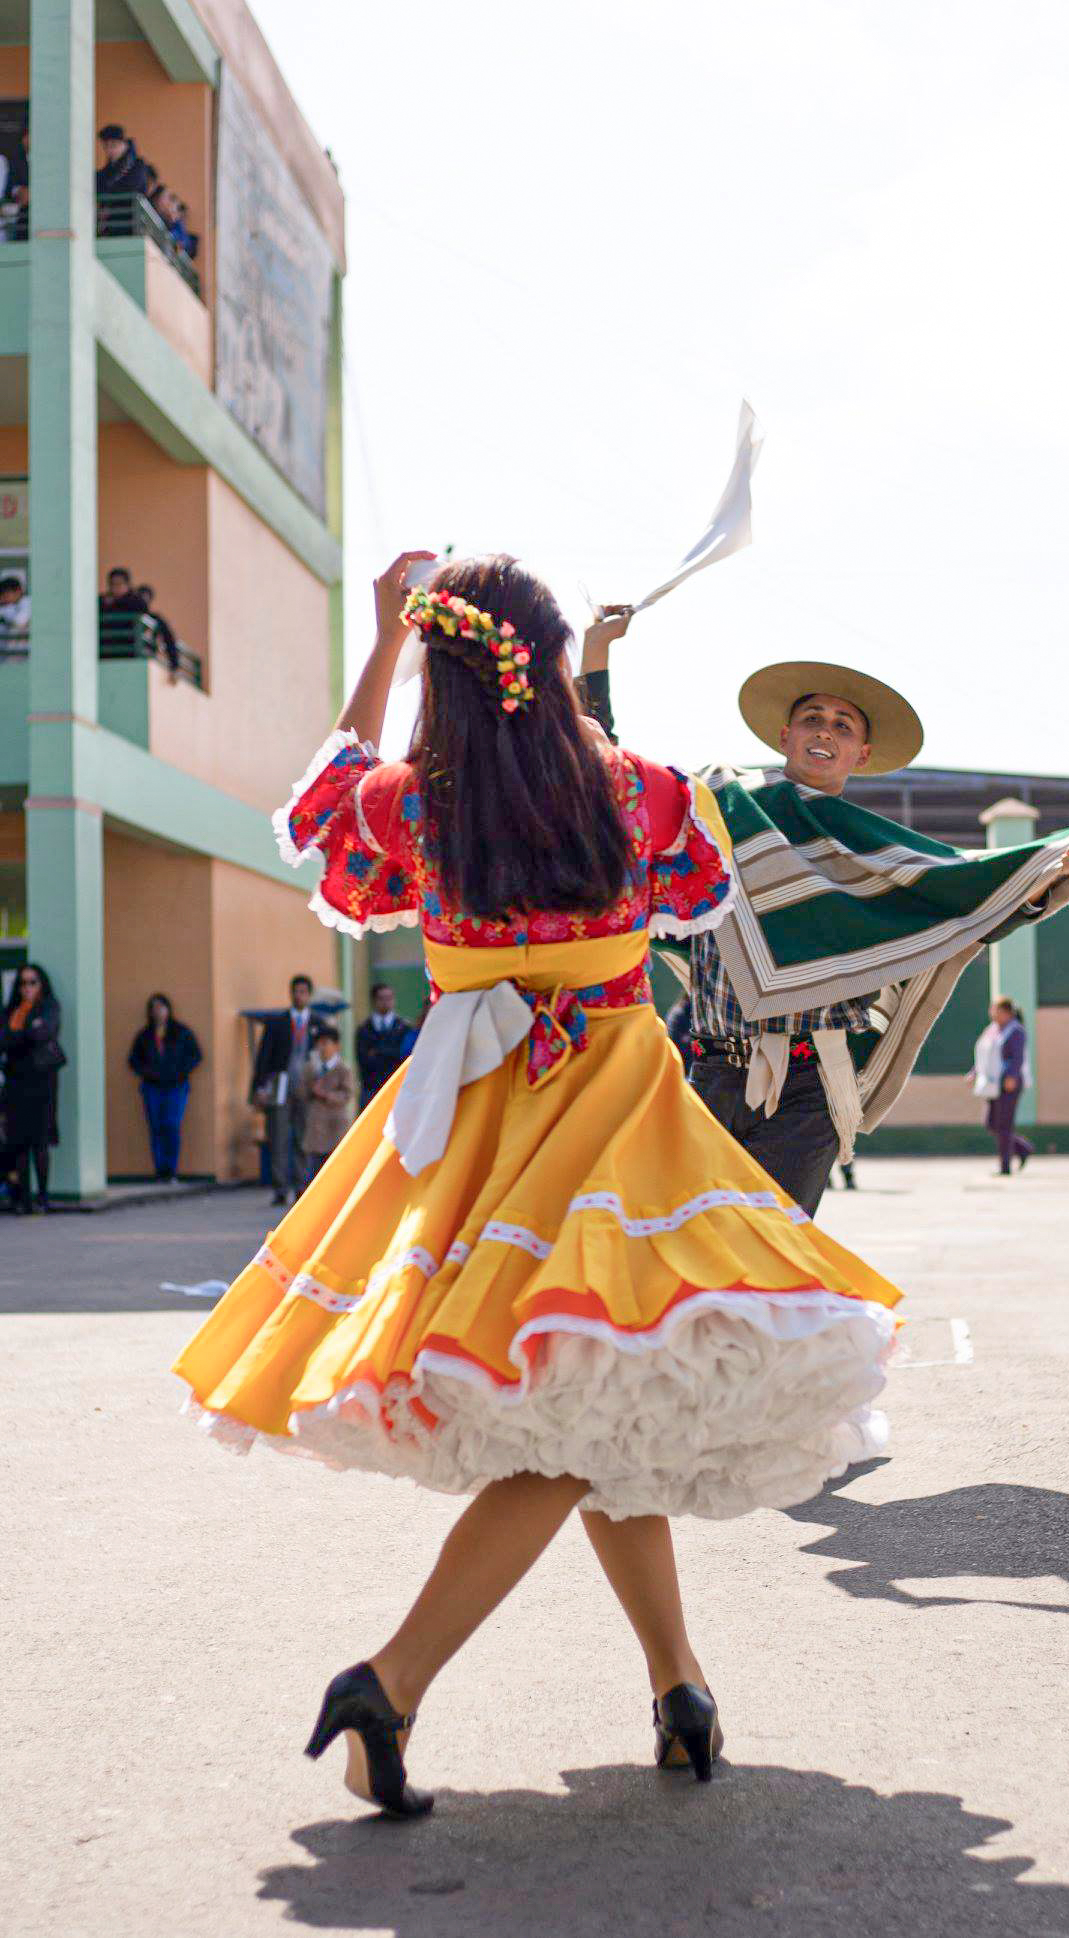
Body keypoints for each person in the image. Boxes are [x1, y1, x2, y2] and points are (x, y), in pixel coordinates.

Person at [175, 550, 905, 1816]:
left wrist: (385, 637)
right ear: (553, 662)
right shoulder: (635, 794)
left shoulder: (415, 804)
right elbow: (690, 887)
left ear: (445, 672)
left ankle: (681, 1687)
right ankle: (391, 1680)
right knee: (580, 1405)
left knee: (593, 1402)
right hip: (617, 1122)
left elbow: (321, 804)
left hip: (472, 1130)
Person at [579, 619, 1069, 1216]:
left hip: (813, 1091)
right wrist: (596, 654)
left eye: (843, 726)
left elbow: (965, 900)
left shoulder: (872, 855)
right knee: (683, 1247)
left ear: (860, 754)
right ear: (785, 735)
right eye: (812, 718)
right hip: (715, 1074)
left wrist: (1048, 872)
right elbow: (616, 781)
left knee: (776, 1261)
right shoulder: (722, 804)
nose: (825, 732)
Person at [251, 974, 324, 1206]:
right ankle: (280, 1187)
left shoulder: (318, 1023)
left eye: (303, 991)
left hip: (307, 1086)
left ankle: (302, 1185)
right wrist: (259, 1087)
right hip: (280, 1085)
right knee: (278, 1136)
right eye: (296, 991)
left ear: (309, 995)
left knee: (304, 1137)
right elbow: (263, 1057)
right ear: (290, 994)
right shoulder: (277, 1022)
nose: (299, 995)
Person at [1, 964, 64, 1215]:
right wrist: (26, 1033)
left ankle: (43, 1196)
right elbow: (5, 1039)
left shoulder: (49, 1007)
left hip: (41, 1081)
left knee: (40, 1140)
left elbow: (44, 1033)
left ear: (42, 984)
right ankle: (22, 1197)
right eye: (23, 983)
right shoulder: (11, 1011)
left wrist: (18, 1037)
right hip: (15, 1082)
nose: (27, 988)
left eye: (32, 982)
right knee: (18, 1142)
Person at [127, 993, 202, 1182]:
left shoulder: (180, 1032)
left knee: (171, 1125)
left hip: (176, 1085)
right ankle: (160, 1170)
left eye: (161, 1008)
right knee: (156, 1126)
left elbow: (195, 1056)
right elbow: (133, 1060)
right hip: (152, 1086)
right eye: (154, 1009)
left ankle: (172, 1169)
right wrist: (147, 1072)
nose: (158, 1012)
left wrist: (180, 1072)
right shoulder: (145, 1036)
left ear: (168, 1010)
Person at [978, 997, 1034, 1176]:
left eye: (996, 1010)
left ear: (1007, 1012)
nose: (992, 1013)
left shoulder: (1016, 1031)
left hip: (1010, 1083)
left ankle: (1005, 1166)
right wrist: (974, 1072)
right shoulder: (993, 1030)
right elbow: (985, 1053)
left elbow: (1017, 1057)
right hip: (993, 1083)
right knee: (992, 1123)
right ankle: (1022, 1148)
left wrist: (1012, 1076)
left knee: (1004, 1125)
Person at [303, 1025, 353, 1180]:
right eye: (319, 1044)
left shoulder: (343, 1069)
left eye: (326, 1043)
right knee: (315, 1171)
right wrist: (310, 1088)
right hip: (316, 1127)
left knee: (335, 1171)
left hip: (335, 1126)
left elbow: (347, 1094)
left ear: (336, 1046)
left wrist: (326, 1095)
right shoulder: (312, 1068)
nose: (322, 1048)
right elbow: (302, 1093)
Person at [354, 982, 411, 1110]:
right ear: (374, 1001)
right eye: (381, 998)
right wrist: (389, 1053)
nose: (386, 1002)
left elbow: (403, 1056)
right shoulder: (364, 1029)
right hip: (371, 1089)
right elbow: (364, 1061)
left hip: (397, 1087)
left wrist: (378, 1051)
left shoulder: (403, 1028)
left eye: (389, 998)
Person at [95, 124, 148, 203]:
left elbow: (131, 188)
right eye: (106, 146)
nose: (109, 150)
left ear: (124, 144)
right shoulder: (108, 170)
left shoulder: (137, 165)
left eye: (114, 145)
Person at [135, 584, 180, 675]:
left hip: (146, 656)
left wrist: (174, 665)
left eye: (145, 598)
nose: (143, 601)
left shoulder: (155, 619)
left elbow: (168, 639)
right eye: (140, 598)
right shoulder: (127, 614)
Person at [0, 574, 30, 641]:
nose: (5, 597)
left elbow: (20, 623)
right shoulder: (11, 606)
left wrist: (3, 620)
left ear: (18, 591)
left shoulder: (27, 602)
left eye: (7, 594)